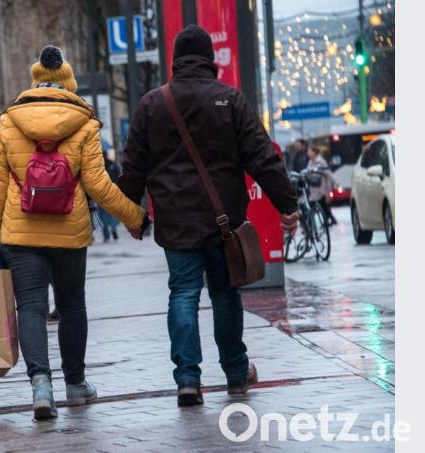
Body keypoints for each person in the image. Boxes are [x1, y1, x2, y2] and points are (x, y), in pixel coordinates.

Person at [117, 25, 299, 407]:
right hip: (224, 222)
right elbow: (262, 157)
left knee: (182, 294)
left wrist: (132, 215)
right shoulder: (229, 100)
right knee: (225, 295)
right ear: (210, 59)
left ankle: (187, 380)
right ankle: (235, 373)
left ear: (175, 61)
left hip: (176, 223)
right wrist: (287, 203)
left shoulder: (153, 104)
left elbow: (133, 167)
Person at [0, 45, 149, 420]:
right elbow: (100, 186)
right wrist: (135, 217)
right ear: (69, 84)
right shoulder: (84, 124)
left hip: (20, 237)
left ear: (35, 81)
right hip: (69, 233)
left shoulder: (8, 125)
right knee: (71, 305)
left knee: (32, 308)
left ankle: (41, 385)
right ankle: (76, 384)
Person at [306, 146, 338, 226]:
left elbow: (328, 172)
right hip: (313, 187)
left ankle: (311, 223)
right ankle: (329, 220)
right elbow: (308, 171)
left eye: (309, 151)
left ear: (314, 152)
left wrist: (336, 183)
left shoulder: (320, 161)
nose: (308, 153)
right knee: (323, 205)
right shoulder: (310, 161)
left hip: (321, 187)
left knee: (318, 204)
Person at [98, 151, 121, 242]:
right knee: (112, 213)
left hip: (101, 192)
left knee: (102, 215)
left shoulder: (99, 166)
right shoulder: (113, 165)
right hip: (112, 191)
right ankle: (113, 228)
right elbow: (119, 177)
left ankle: (106, 234)